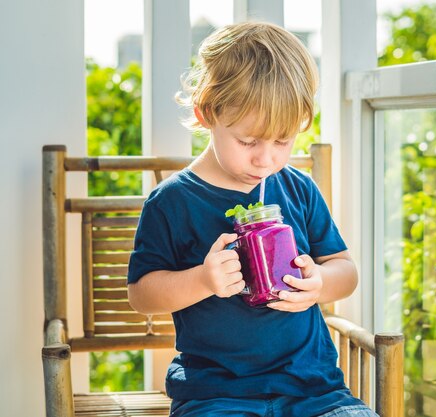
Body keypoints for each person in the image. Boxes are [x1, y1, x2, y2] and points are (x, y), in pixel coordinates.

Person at [127, 21, 377, 417]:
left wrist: (319, 284)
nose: (266, 159)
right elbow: (142, 295)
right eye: (248, 141)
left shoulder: (299, 188)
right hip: (216, 395)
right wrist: (202, 280)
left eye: (282, 141)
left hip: (314, 390)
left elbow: (344, 270)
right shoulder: (171, 201)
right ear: (207, 113)